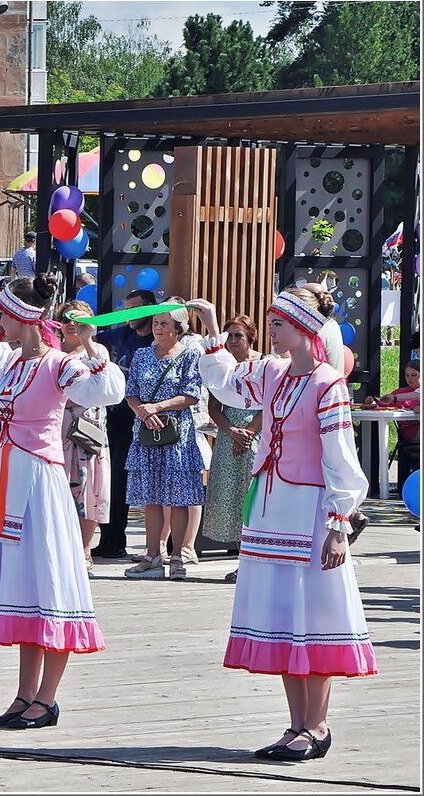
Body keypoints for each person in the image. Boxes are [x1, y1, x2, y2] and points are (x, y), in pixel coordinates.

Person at [192, 292, 375, 761]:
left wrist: (338, 522)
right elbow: (228, 386)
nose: (271, 331)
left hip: (310, 509)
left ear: (304, 328)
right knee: (284, 616)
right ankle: (296, 724)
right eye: (271, 323)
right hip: (271, 508)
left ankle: (317, 725)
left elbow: (341, 459)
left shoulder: (329, 384)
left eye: (279, 323)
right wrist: (212, 324)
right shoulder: (271, 372)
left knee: (313, 614)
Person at [0, 275, 125, 730]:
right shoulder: (15, 362)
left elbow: (107, 391)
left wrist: (92, 347)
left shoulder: (58, 364)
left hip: (41, 481)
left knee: (50, 582)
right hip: (12, 479)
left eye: (5, 315)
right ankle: (25, 694)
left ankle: (47, 698)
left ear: (24, 318)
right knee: (25, 586)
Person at [123, 300, 205, 582]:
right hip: (146, 430)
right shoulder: (141, 356)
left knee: (179, 498)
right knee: (151, 497)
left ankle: (179, 555)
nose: (158, 328)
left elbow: (192, 394)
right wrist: (143, 413)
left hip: (177, 433)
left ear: (178, 329)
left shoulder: (189, 355)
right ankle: (152, 555)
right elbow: (131, 392)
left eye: (164, 324)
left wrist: (158, 407)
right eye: (156, 323)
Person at [94, 288, 157, 559]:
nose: (130, 315)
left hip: (149, 418)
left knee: (154, 481)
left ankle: (162, 545)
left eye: (136, 309)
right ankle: (112, 540)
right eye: (127, 309)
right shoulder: (120, 334)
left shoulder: (159, 338)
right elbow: (91, 334)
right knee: (115, 479)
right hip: (119, 417)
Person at [202, 315, 263, 582]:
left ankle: (259, 561)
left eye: (239, 335)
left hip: (257, 436)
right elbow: (214, 407)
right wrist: (230, 431)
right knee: (233, 499)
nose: (234, 341)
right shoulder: (221, 366)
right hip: (228, 437)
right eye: (229, 336)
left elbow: (270, 405)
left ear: (251, 336)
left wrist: (249, 432)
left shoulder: (264, 364)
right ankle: (242, 561)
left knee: (254, 499)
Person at [57, 300, 112, 576]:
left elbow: (102, 383)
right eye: (67, 319)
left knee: (88, 489)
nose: (72, 325)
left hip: (85, 429)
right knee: (60, 489)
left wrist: (88, 338)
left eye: (78, 320)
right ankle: (60, 550)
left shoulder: (96, 350)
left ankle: (85, 549)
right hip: (56, 429)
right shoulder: (53, 351)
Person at [369, 358, 421, 484]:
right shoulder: (400, 392)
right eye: (407, 375)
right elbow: (382, 403)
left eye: (414, 375)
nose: (410, 379)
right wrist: (371, 401)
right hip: (411, 432)